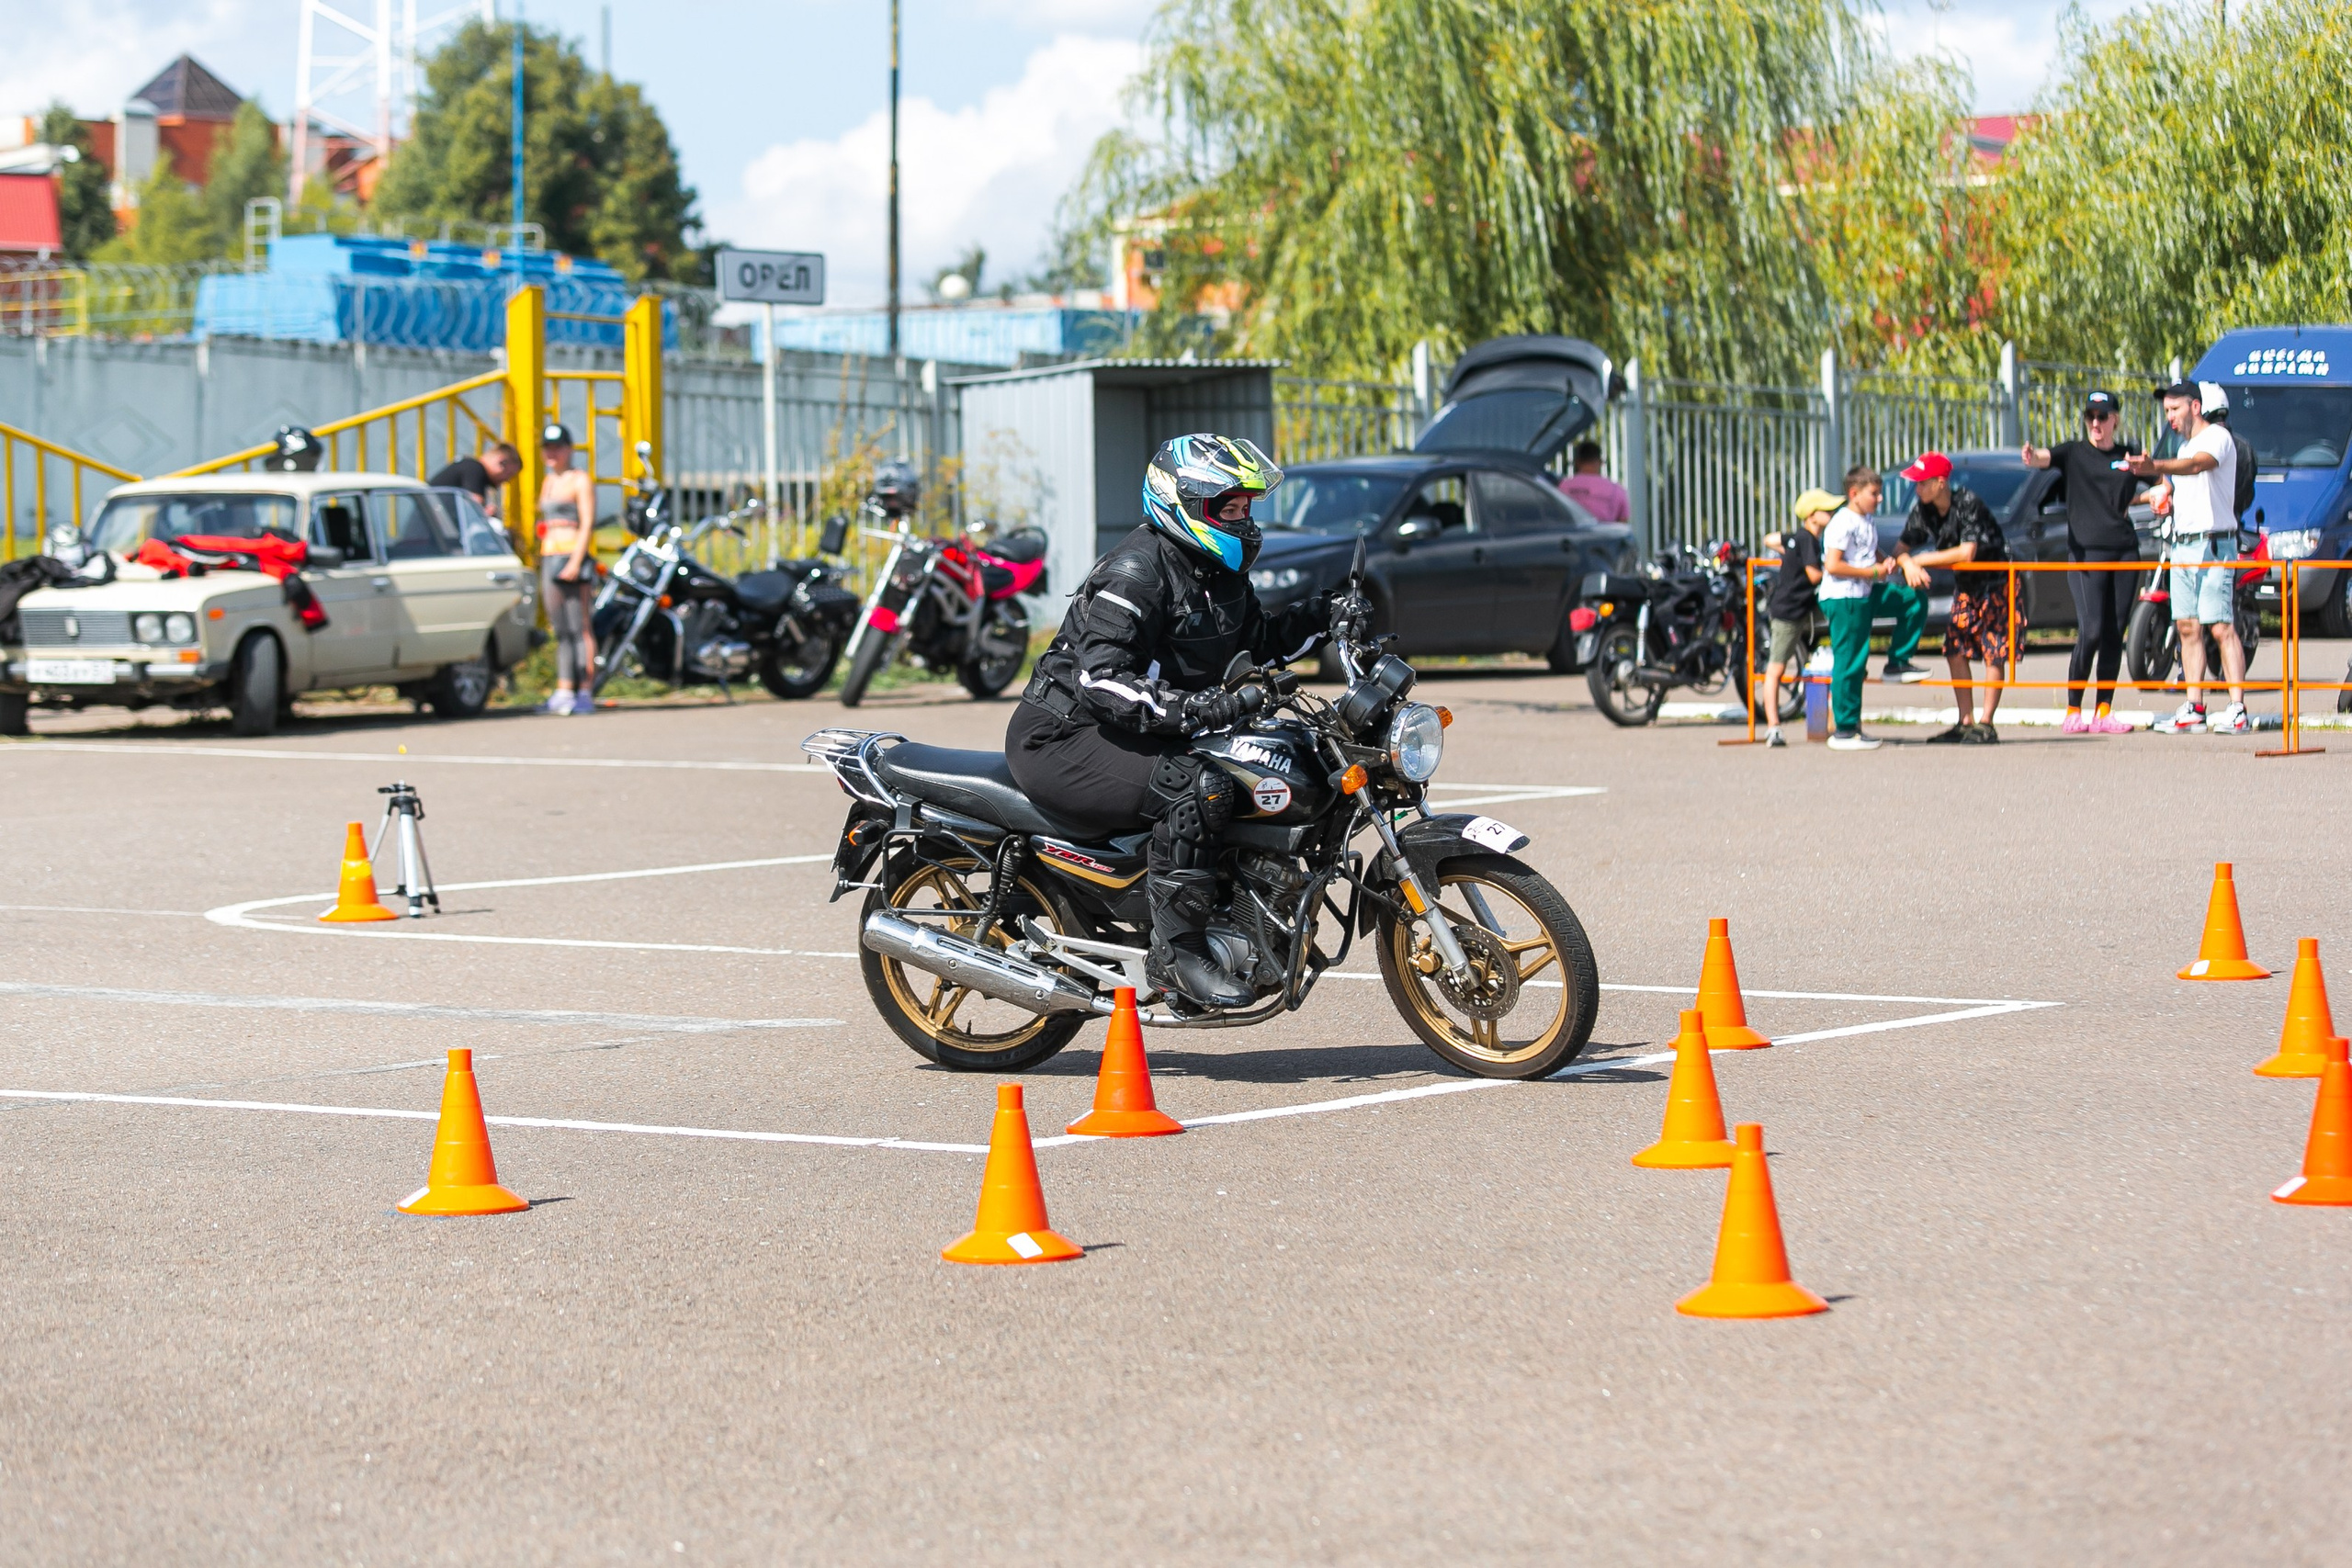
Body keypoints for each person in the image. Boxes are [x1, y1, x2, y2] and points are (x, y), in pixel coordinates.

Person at [1009, 433, 1331, 1007]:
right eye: (1226, 509)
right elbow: (1100, 679)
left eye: (1245, 508)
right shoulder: (1136, 571)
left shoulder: (1217, 570)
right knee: (1197, 787)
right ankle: (1174, 956)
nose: (1241, 520)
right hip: (1064, 735)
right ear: (1179, 502)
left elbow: (1254, 643)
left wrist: (1325, 616)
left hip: (1133, 727)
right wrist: (1199, 709)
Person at [2023, 391, 2148, 734]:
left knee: (2113, 632)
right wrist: (2032, 456)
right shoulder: (2074, 453)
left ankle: (2104, 711)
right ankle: (2073, 709)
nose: (2096, 423)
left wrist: (2159, 491)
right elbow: (2042, 459)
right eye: (2090, 416)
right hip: (2085, 553)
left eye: (2103, 416)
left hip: (2124, 550)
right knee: (2090, 630)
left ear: (2115, 420)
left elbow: (2158, 480)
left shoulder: (2127, 455)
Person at [2131, 382, 2249, 734]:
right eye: (2166, 411)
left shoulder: (2217, 438)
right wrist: (2136, 501)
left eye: (2175, 410)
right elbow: (2172, 486)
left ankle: (2237, 708)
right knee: (2187, 626)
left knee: (2221, 626)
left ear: (2195, 407)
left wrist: (2156, 465)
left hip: (2214, 544)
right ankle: (2194, 706)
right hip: (2182, 546)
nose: (2169, 417)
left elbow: (2198, 466)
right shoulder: (2182, 447)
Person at [1890, 451, 2018, 745]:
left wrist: (1921, 559)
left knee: (1993, 650)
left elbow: (1967, 552)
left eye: (1922, 482)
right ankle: (1965, 722)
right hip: (1966, 588)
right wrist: (1909, 563)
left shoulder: (1967, 502)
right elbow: (1900, 548)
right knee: (1954, 648)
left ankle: (1986, 724)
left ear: (1940, 483)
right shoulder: (1922, 510)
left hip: (1996, 584)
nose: (1917, 488)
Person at [1817, 464, 1916, 750]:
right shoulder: (1842, 522)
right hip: (1845, 596)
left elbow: (1869, 552)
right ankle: (1845, 730)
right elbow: (1833, 565)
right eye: (1874, 493)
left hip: (1864, 593)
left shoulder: (1867, 518)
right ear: (1854, 493)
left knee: (1911, 599)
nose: (1880, 498)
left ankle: (1898, 661)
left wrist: (1884, 562)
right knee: (1850, 661)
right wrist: (1873, 572)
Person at [1757, 487, 1837, 748]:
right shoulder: (1808, 540)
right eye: (1827, 510)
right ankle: (1773, 727)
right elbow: (1815, 576)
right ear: (1812, 515)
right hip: (1789, 612)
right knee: (1776, 668)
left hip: (1801, 609)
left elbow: (1770, 539)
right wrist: (1842, 570)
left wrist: (1789, 545)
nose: (1832, 513)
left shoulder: (1800, 539)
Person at [537, 423, 600, 716]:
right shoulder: (548, 481)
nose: (552, 453)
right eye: (547, 447)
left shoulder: (580, 480)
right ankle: (564, 689)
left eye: (557, 447)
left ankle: (585, 690)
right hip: (550, 554)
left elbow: (587, 522)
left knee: (579, 626)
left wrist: (576, 560)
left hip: (572, 553)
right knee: (560, 628)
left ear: (568, 449)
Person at [427, 442, 522, 520]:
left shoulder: (469, 467)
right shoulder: (475, 469)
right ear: (502, 463)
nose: (506, 480)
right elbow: (475, 506)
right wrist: (486, 513)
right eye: (509, 474)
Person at [1557, 441, 1631, 523]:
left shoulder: (1563, 487)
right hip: (1604, 534)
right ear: (1600, 462)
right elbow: (1623, 525)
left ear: (1577, 462)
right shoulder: (1617, 490)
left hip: (1571, 535)